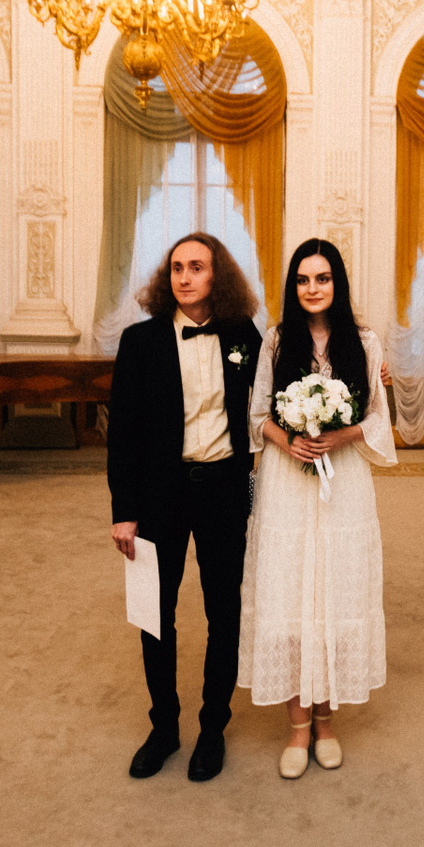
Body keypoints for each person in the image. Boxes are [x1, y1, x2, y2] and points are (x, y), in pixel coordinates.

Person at [108, 233, 264, 783]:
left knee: (223, 612)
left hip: (223, 489)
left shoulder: (244, 335)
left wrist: (372, 371)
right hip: (160, 493)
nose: (184, 276)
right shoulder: (140, 341)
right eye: (176, 267)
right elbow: (122, 434)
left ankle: (212, 728)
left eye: (196, 267)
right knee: (155, 613)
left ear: (217, 276)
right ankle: (164, 728)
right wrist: (124, 511)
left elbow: (287, 382)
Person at [239, 238, 396, 778]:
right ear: (293, 286)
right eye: (303, 280)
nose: (312, 288)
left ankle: (326, 724)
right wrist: (288, 441)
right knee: (288, 595)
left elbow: (378, 418)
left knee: (334, 594)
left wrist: (340, 435)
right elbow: (257, 413)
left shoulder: (366, 342)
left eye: (322, 278)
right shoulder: (277, 340)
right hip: (286, 481)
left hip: (343, 481)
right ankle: (297, 727)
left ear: (337, 283)